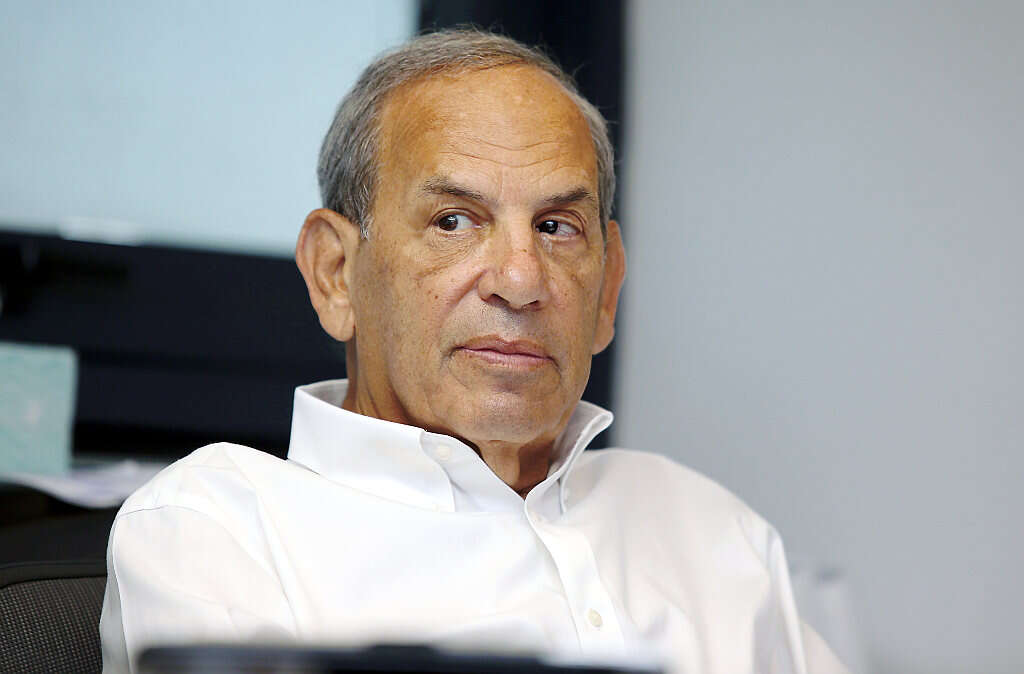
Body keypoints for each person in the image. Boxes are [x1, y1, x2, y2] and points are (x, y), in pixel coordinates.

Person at [99, 29, 848, 674]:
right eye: (454, 221)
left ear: (607, 289)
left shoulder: (712, 530)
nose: (521, 280)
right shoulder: (220, 530)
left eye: (557, 227)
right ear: (336, 274)